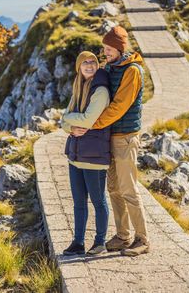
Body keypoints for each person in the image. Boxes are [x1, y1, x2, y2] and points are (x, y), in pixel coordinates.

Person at [72, 26, 149, 256]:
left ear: (120, 48)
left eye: (109, 49)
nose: (105, 52)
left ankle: (142, 238)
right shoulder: (111, 68)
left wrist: (89, 124)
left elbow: (118, 107)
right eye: (104, 48)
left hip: (125, 138)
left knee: (128, 188)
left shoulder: (132, 71)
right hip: (110, 137)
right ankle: (123, 236)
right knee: (114, 188)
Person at [61, 50, 111, 256]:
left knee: (98, 202)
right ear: (79, 67)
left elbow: (88, 120)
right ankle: (78, 242)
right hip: (76, 156)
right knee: (79, 203)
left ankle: (100, 242)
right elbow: (64, 121)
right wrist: (70, 127)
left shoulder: (100, 91)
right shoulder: (78, 88)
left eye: (93, 62)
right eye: (85, 63)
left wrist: (70, 119)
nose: (89, 65)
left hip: (94, 157)